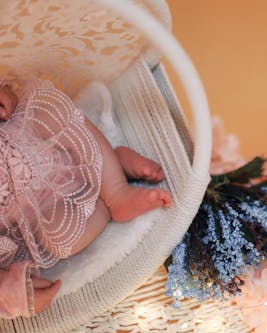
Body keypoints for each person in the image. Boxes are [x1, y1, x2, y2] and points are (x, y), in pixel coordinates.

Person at [0, 78, 171, 318]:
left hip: (29, 140)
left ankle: (116, 188)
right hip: (38, 211)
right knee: (60, 237)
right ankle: (108, 190)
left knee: (47, 113)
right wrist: (11, 293)